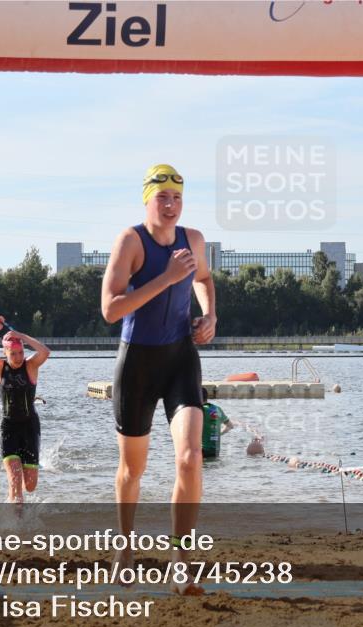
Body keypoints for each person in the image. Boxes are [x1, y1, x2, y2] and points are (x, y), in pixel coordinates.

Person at [100, 163, 216, 595]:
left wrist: (210, 315)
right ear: (147, 199)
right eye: (162, 197)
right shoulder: (130, 241)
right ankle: (124, 548)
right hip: (138, 365)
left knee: (190, 457)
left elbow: (204, 278)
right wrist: (167, 278)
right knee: (133, 470)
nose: (170, 206)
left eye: (177, 198)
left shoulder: (194, 240)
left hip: (180, 359)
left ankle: (181, 562)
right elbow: (111, 309)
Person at [0, 316, 50, 503]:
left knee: (30, 486)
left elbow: (45, 351)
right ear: (5, 353)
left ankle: (13, 495)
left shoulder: (31, 365)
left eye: (20, 352)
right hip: (8, 427)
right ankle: (17, 522)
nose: (19, 357)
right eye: (13, 354)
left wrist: (21, 335)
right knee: (15, 480)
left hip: (30, 427)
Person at [200, 388, 232, 459]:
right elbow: (230, 426)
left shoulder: (201, 409)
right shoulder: (217, 409)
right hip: (216, 450)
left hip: (202, 450)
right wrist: (218, 434)